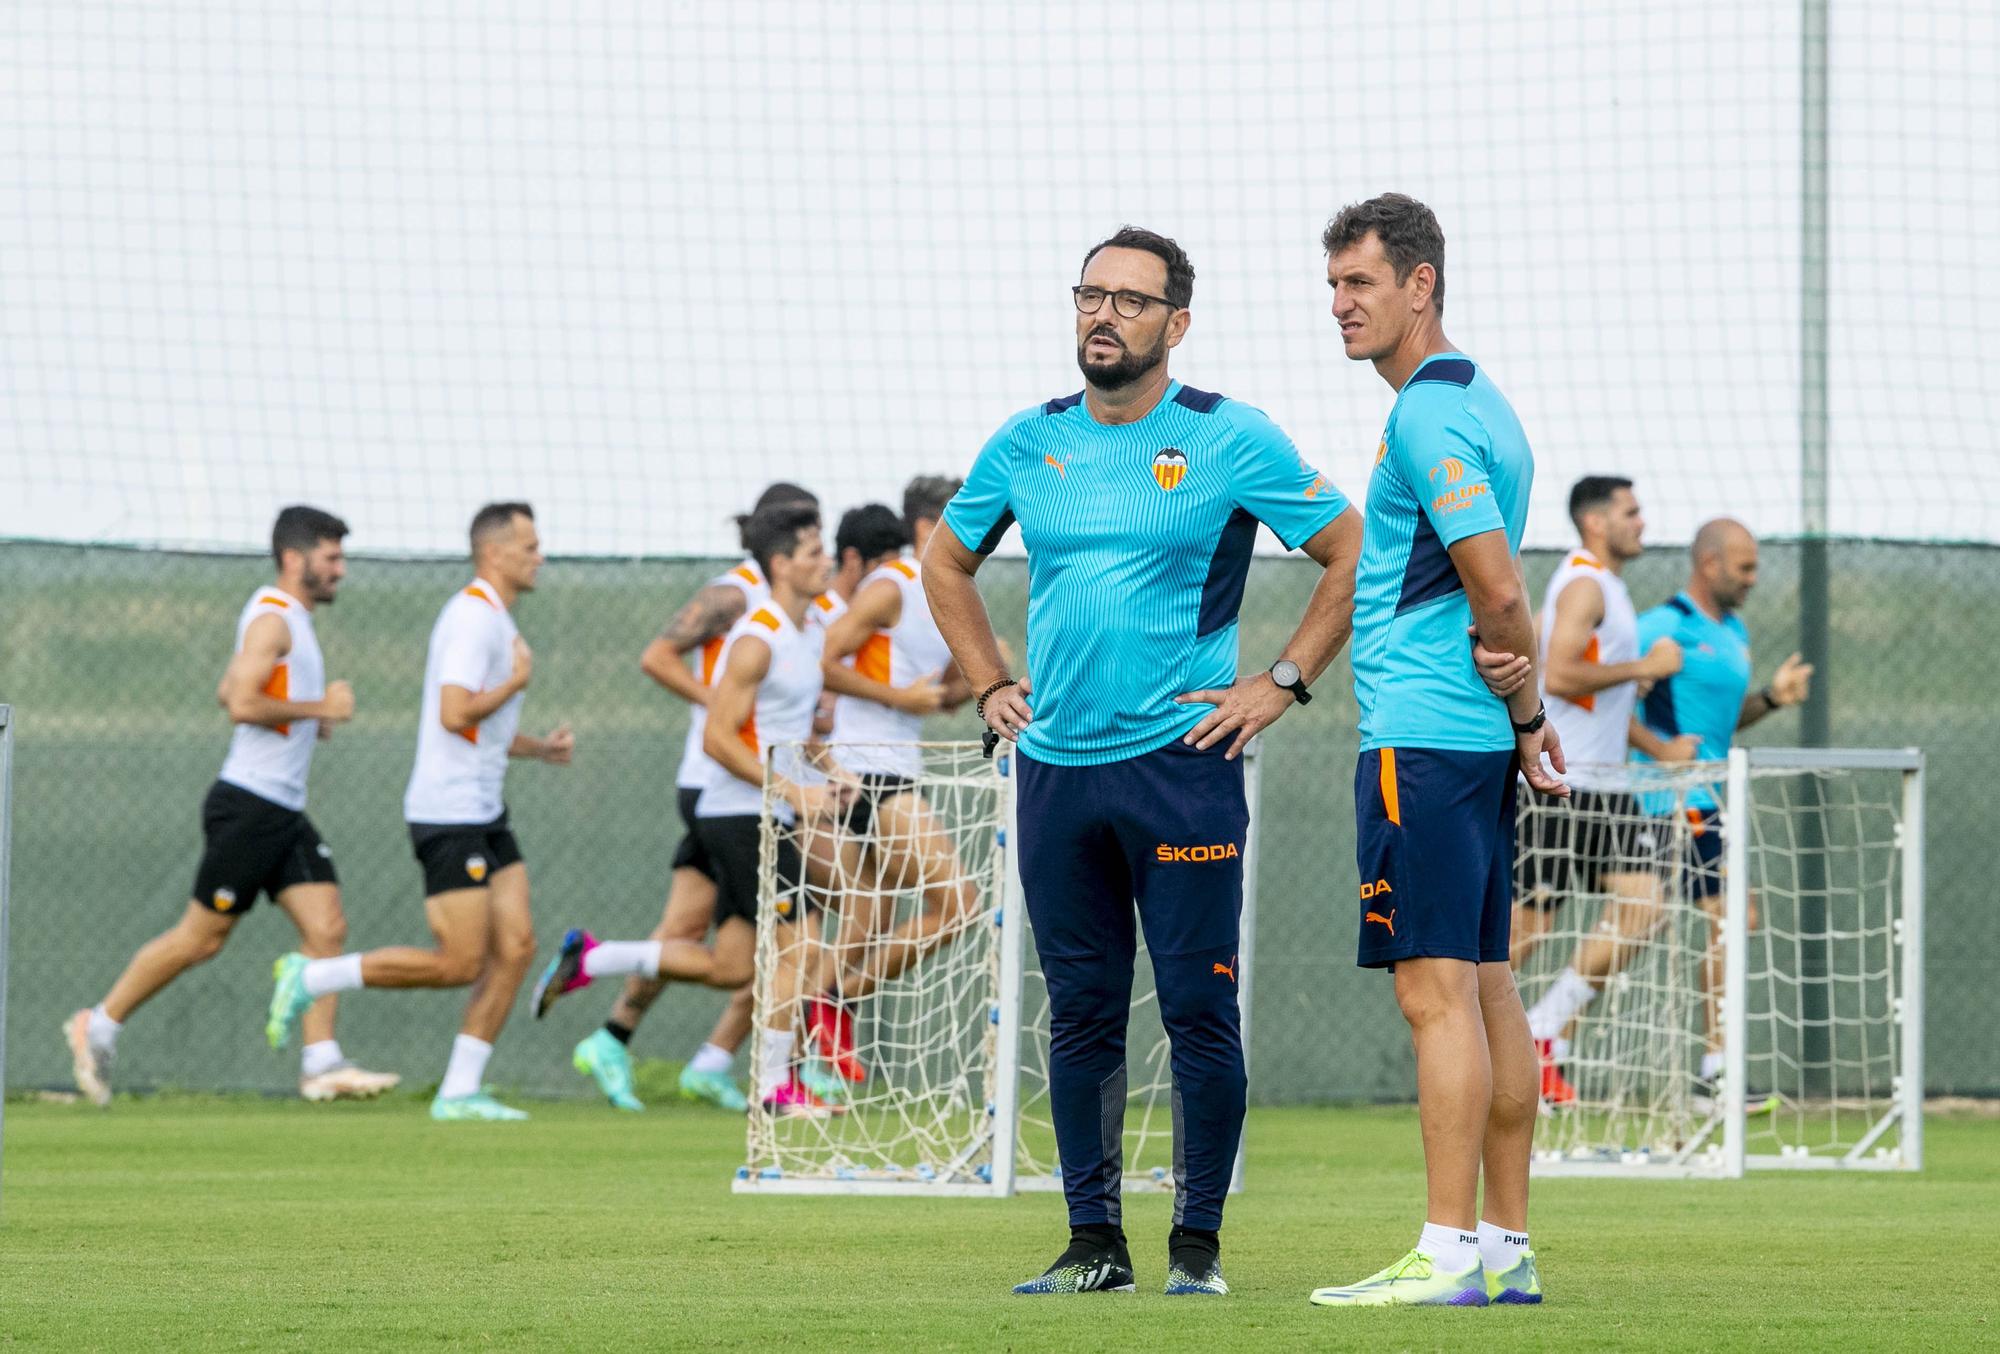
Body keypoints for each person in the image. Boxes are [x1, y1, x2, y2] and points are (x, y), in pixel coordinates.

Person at [925, 226, 1362, 1297]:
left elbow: (1349, 546)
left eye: (1129, 300)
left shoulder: (1226, 437)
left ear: (1175, 322)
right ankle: (1092, 1246)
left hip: (1182, 765)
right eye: (1089, 295)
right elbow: (944, 558)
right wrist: (988, 681)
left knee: (1195, 1011)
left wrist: (1283, 680)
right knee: (1075, 1012)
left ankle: (1196, 1251)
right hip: (1057, 774)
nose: (1102, 315)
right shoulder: (1027, 443)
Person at [1306, 194, 1563, 1310]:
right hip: (1470, 743)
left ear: (1419, 285)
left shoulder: (1426, 413)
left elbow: (1499, 587)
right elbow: (1495, 596)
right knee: (1489, 986)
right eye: (1331, 285)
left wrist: (1525, 694)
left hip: (1419, 736)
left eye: (1359, 283)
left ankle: (1446, 1248)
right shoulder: (1481, 403)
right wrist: (1519, 713)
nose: (1338, 305)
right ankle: (1504, 1248)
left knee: (1433, 997)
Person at [65, 506, 398, 1105]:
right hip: (249, 805)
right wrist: (320, 709)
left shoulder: (284, 618)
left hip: (282, 809)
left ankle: (321, 1063)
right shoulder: (274, 620)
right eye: (331, 557)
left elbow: (230, 686)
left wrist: (302, 711)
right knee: (201, 938)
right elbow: (240, 704)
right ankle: (99, 1025)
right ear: (295, 559)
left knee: (327, 927)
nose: (341, 570)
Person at [532, 504, 853, 1118]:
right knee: (802, 944)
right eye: (814, 553)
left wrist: (832, 775)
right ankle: (774, 1088)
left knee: (734, 966)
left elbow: (787, 731)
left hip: (769, 810)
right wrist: (792, 793)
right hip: (739, 813)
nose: (826, 562)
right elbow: (718, 738)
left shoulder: (809, 633)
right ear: (781, 564)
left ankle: (593, 958)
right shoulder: (754, 639)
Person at [266, 502, 574, 1121]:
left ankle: (460, 1089)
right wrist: (515, 684)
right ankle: (312, 979)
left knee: (516, 946)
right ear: (494, 553)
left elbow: (480, 730)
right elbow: (455, 712)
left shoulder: (498, 622)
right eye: (530, 546)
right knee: (459, 963)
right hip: (449, 812)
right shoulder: (471, 618)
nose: (540, 556)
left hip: (486, 811)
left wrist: (538, 747)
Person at [1525, 518, 1812, 1106]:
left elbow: (1714, 728)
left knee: (1719, 917)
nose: (1754, 579)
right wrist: (1658, 751)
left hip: (1705, 794)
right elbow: (1606, 700)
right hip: (1663, 799)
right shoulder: (1660, 624)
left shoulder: (1732, 633)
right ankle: (1705, 1068)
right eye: (1745, 567)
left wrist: (1772, 699)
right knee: (1704, 913)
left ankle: (1558, 1038)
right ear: (1710, 564)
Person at [806, 477, 979, 1085]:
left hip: (898, 768)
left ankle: (812, 1026)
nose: (987, 530)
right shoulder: (892, 585)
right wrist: (898, 696)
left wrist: (988, 676)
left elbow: (942, 700)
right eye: (971, 516)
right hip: (868, 772)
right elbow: (819, 661)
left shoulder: (950, 591)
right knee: (959, 906)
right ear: (927, 528)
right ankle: (824, 1006)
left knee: (869, 916)